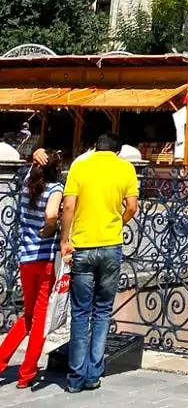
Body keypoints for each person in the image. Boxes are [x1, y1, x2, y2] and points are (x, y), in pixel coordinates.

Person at [59, 132, 139, 393]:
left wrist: (65, 239)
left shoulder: (79, 167)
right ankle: (94, 373)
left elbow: (68, 206)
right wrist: (119, 222)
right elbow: (132, 206)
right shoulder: (125, 168)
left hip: (82, 245)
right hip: (110, 245)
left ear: (94, 148)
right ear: (116, 151)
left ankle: (75, 377)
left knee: (80, 312)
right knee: (102, 310)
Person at [0, 150, 63, 388]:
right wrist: (51, 226)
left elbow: (34, 162)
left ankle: (2, 360)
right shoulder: (55, 189)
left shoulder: (29, 181)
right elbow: (51, 214)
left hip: (25, 259)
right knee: (39, 319)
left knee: (28, 315)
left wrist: (36, 152)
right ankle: (27, 373)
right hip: (44, 259)